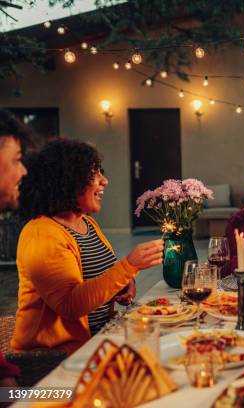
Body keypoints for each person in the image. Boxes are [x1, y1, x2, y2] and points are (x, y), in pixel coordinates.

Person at [11, 138, 163, 353]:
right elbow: (70, 305)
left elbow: (99, 279)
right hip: (54, 358)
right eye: (95, 173)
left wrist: (123, 283)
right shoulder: (42, 233)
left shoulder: (87, 223)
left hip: (100, 340)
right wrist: (129, 266)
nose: (105, 181)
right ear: (67, 180)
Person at [0, 109, 32, 387]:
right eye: (17, 160)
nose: (23, 171)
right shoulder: (42, 233)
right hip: (53, 361)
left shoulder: (90, 227)